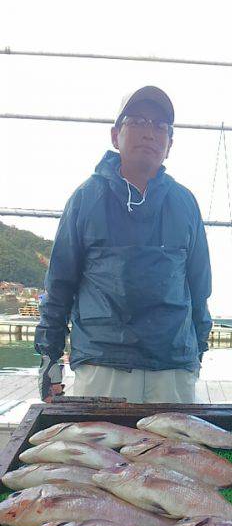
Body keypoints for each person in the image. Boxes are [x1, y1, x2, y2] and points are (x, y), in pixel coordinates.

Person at [35, 85, 212, 404]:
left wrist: (195, 353)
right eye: (139, 121)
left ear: (170, 144)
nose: (150, 132)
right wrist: (50, 360)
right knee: (102, 454)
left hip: (173, 368)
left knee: (174, 455)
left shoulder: (185, 203)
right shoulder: (85, 200)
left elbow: (200, 289)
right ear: (116, 135)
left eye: (161, 126)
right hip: (102, 365)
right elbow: (59, 287)